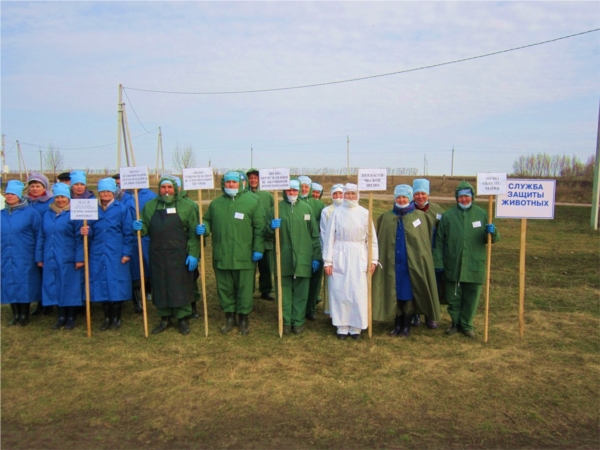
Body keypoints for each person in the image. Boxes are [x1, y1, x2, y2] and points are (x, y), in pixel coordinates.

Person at [199, 171, 265, 335]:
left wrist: (258, 248)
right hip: (222, 255)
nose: (231, 185)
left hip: (244, 255)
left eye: (234, 182)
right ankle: (229, 317)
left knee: (244, 288)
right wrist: (205, 228)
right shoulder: (216, 204)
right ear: (223, 184)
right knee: (225, 288)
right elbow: (208, 220)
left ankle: (243, 318)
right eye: (228, 182)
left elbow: (259, 228)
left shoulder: (253, 201)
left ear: (241, 184)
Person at [433, 181, 500, 338]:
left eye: (467, 196)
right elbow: (439, 241)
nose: (464, 200)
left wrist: (493, 232)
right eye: (461, 197)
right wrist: (439, 262)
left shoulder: (482, 214)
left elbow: (490, 239)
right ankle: (455, 322)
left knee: (471, 296)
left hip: (473, 264)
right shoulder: (448, 216)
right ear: (456, 198)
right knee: (453, 296)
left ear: (472, 197)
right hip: (453, 264)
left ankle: (467, 324)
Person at [372, 185, 441, 338]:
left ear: (409, 198)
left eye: (404, 197)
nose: (401, 200)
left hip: (411, 264)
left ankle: (406, 326)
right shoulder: (386, 217)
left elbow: (426, 240)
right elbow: (379, 240)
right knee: (395, 293)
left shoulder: (420, 217)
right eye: (399, 197)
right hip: (393, 263)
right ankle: (396, 324)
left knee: (408, 294)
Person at [134, 175, 199, 335]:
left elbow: (193, 233)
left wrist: (193, 253)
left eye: (170, 187)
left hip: (180, 254)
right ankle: (165, 318)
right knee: (161, 285)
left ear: (176, 189)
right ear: (159, 189)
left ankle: (182, 318)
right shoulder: (150, 207)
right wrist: (139, 228)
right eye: (163, 187)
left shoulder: (187, 206)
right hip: (158, 254)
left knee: (180, 285)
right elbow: (145, 230)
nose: (167, 190)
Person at [323, 183, 378, 340]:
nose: (349, 197)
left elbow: (371, 239)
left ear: (358, 195)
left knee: (357, 291)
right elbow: (329, 238)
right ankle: (342, 326)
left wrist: (373, 259)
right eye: (347, 194)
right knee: (340, 290)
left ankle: (356, 326)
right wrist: (328, 261)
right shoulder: (337, 213)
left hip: (359, 254)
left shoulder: (365, 213)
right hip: (340, 253)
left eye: (353, 194)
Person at [81, 178, 135, 331]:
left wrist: (126, 253)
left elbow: (128, 233)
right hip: (98, 252)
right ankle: (106, 317)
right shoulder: (92, 209)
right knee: (101, 283)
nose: (105, 194)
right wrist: (86, 231)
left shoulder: (122, 209)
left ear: (113, 193)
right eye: (102, 191)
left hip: (116, 252)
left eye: (108, 191)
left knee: (115, 283)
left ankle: (116, 317)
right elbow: (90, 229)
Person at [269, 179, 321, 335]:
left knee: (301, 291)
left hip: (303, 257)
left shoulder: (307, 208)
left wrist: (316, 256)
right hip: (283, 257)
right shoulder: (277, 209)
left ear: (299, 191)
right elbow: (265, 233)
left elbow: (314, 235)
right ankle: (285, 320)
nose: (292, 193)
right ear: (284, 191)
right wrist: (270, 228)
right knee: (284, 291)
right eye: (289, 190)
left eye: (295, 190)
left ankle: (298, 321)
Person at [36, 183, 84, 330]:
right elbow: (41, 237)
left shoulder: (75, 214)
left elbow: (79, 239)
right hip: (50, 256)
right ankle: (61, 316)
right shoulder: (47, 214)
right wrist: (39, 257)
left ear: (68, 197)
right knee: (55, 285)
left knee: (70, 286)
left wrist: (79, 258)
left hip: (68, 256)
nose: (60, 200)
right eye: (57, 197)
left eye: (63, 196)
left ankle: (71, 316)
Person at [114, 173, 157, 314]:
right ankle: (136, 300)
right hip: (127, 238)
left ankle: (150, 290)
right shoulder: (121, 196)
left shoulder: (150, 196)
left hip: (145, 237)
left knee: (147, 265)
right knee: (133, 268)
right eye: (117, 183)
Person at [1, 180, 42, 326]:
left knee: (24, 284)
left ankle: (24, 314)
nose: (10, 196)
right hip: (6, 254)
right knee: (9, 282)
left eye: (13, 194)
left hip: (25, 254)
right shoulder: (2, 214)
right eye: (8, 194)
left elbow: (39, 235)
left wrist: (38, 255)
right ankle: (15, 314)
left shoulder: (31, 213)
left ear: (19, 196)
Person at [411, 178, 445, 329]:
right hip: (415, 254)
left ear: (428, 194)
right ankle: (415, 313)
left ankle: (430, 315)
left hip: (432, 254)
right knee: (416, 284)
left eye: (423, 193)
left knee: (432, 285)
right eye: (417, 193)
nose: (420, 197)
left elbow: (444, 233)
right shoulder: (408, 209)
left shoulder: (437, 211)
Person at [24, 173, 55, 316]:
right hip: (27, 243)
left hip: (44, 239)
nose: (35, 189)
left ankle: (46, 303)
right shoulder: (25, 202)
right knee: (32, 274)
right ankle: (36, 301)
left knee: (45, 273)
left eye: (38, 186)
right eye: (32, 186)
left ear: (44, 187)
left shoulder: (50, 202)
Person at [246, 168, 275, 301]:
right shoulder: (244, 195)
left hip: (265, 235)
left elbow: (273, 211)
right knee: (249, 265)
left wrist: (271, 227)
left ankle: (266, 289)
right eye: (251, 178)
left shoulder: (267, 195)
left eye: (255, 178)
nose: (253, 180)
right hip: (249, 236)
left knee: (266, 266)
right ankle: (247, 290)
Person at [319, 184, 344, 316]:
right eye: (335, 194)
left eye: (340, 194)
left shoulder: (349, 210)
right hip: (331, 251)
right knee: (332, 281)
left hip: (346, 251)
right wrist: (326, 253)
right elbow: (324, 232)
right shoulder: (327, 211)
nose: (338, 197)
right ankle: (332, 310)